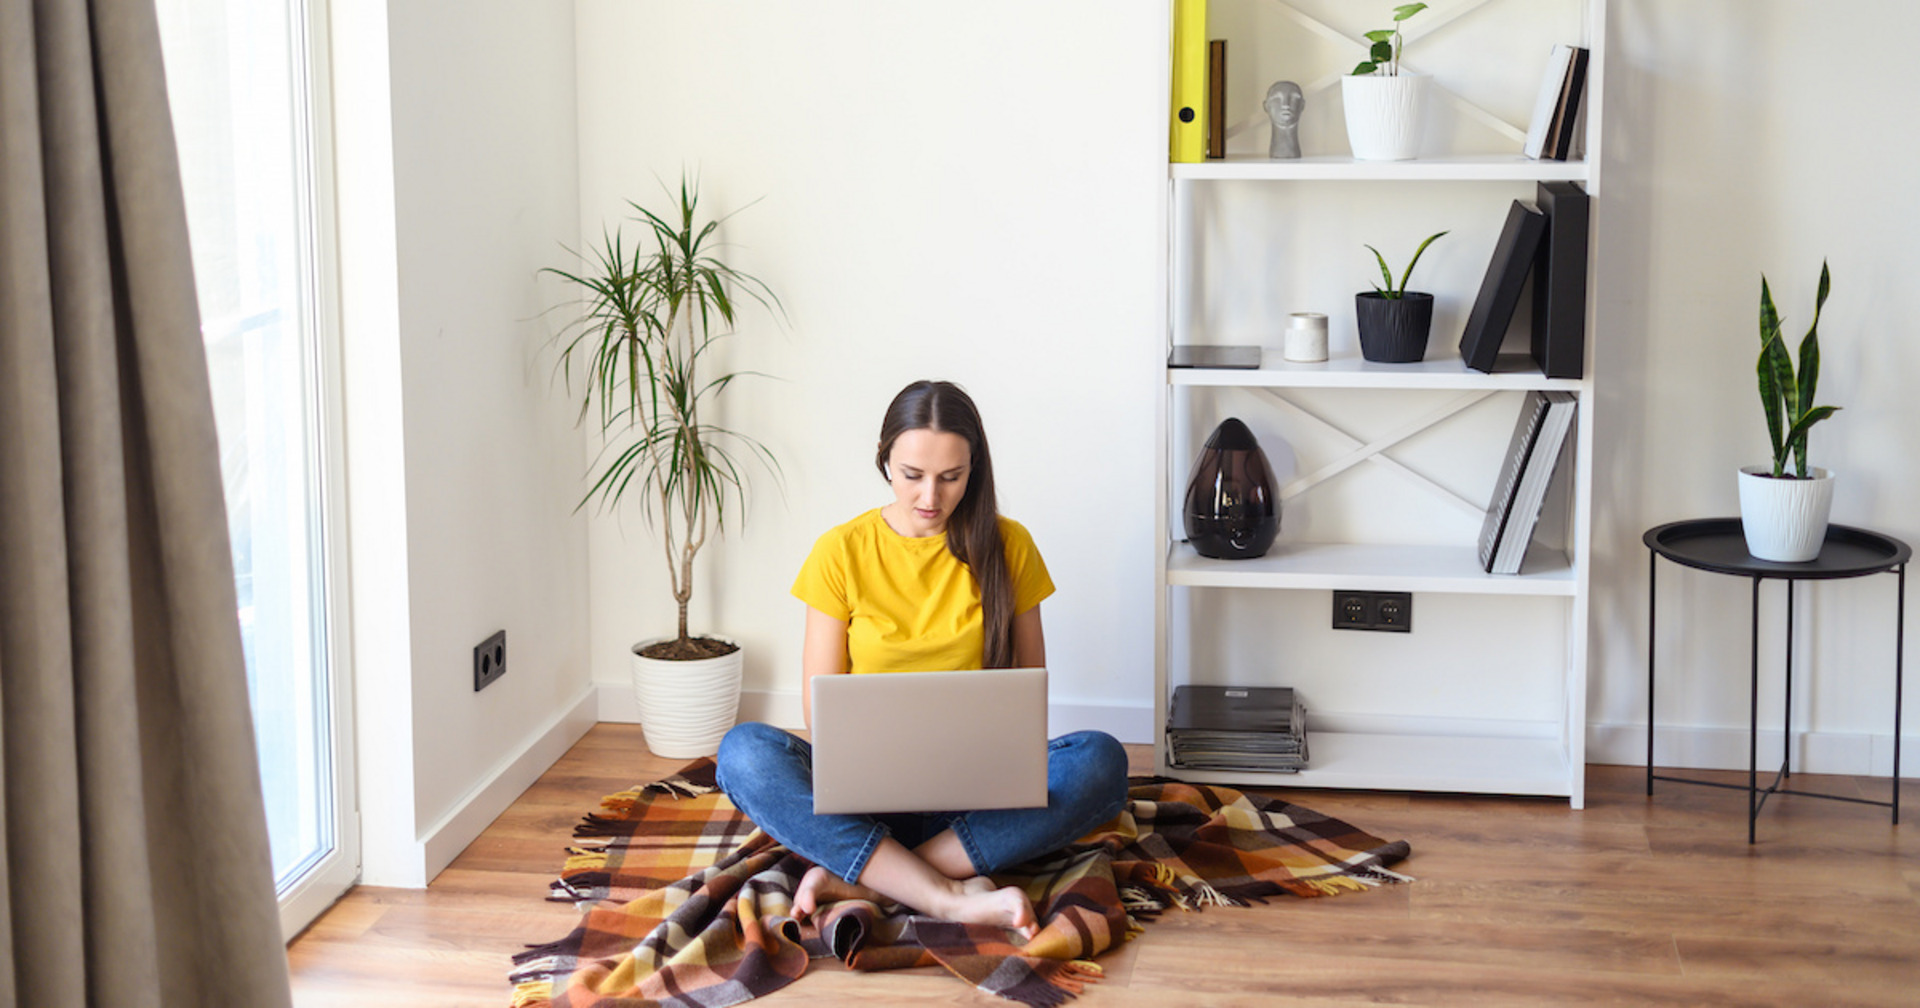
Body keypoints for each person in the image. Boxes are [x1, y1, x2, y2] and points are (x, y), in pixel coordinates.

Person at [716, 380, 1129, 940]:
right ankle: (947, 894)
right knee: (744, 753)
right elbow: (821, 712)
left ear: (974, 468)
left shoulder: (1011, 547)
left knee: (1101, 761)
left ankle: (874, 877)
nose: (930, 496)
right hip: (863, 800)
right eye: (912, 475)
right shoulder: (840, 551)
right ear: (885, 459)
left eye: (951, 477)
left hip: (975, 801)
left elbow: (1029, 701)